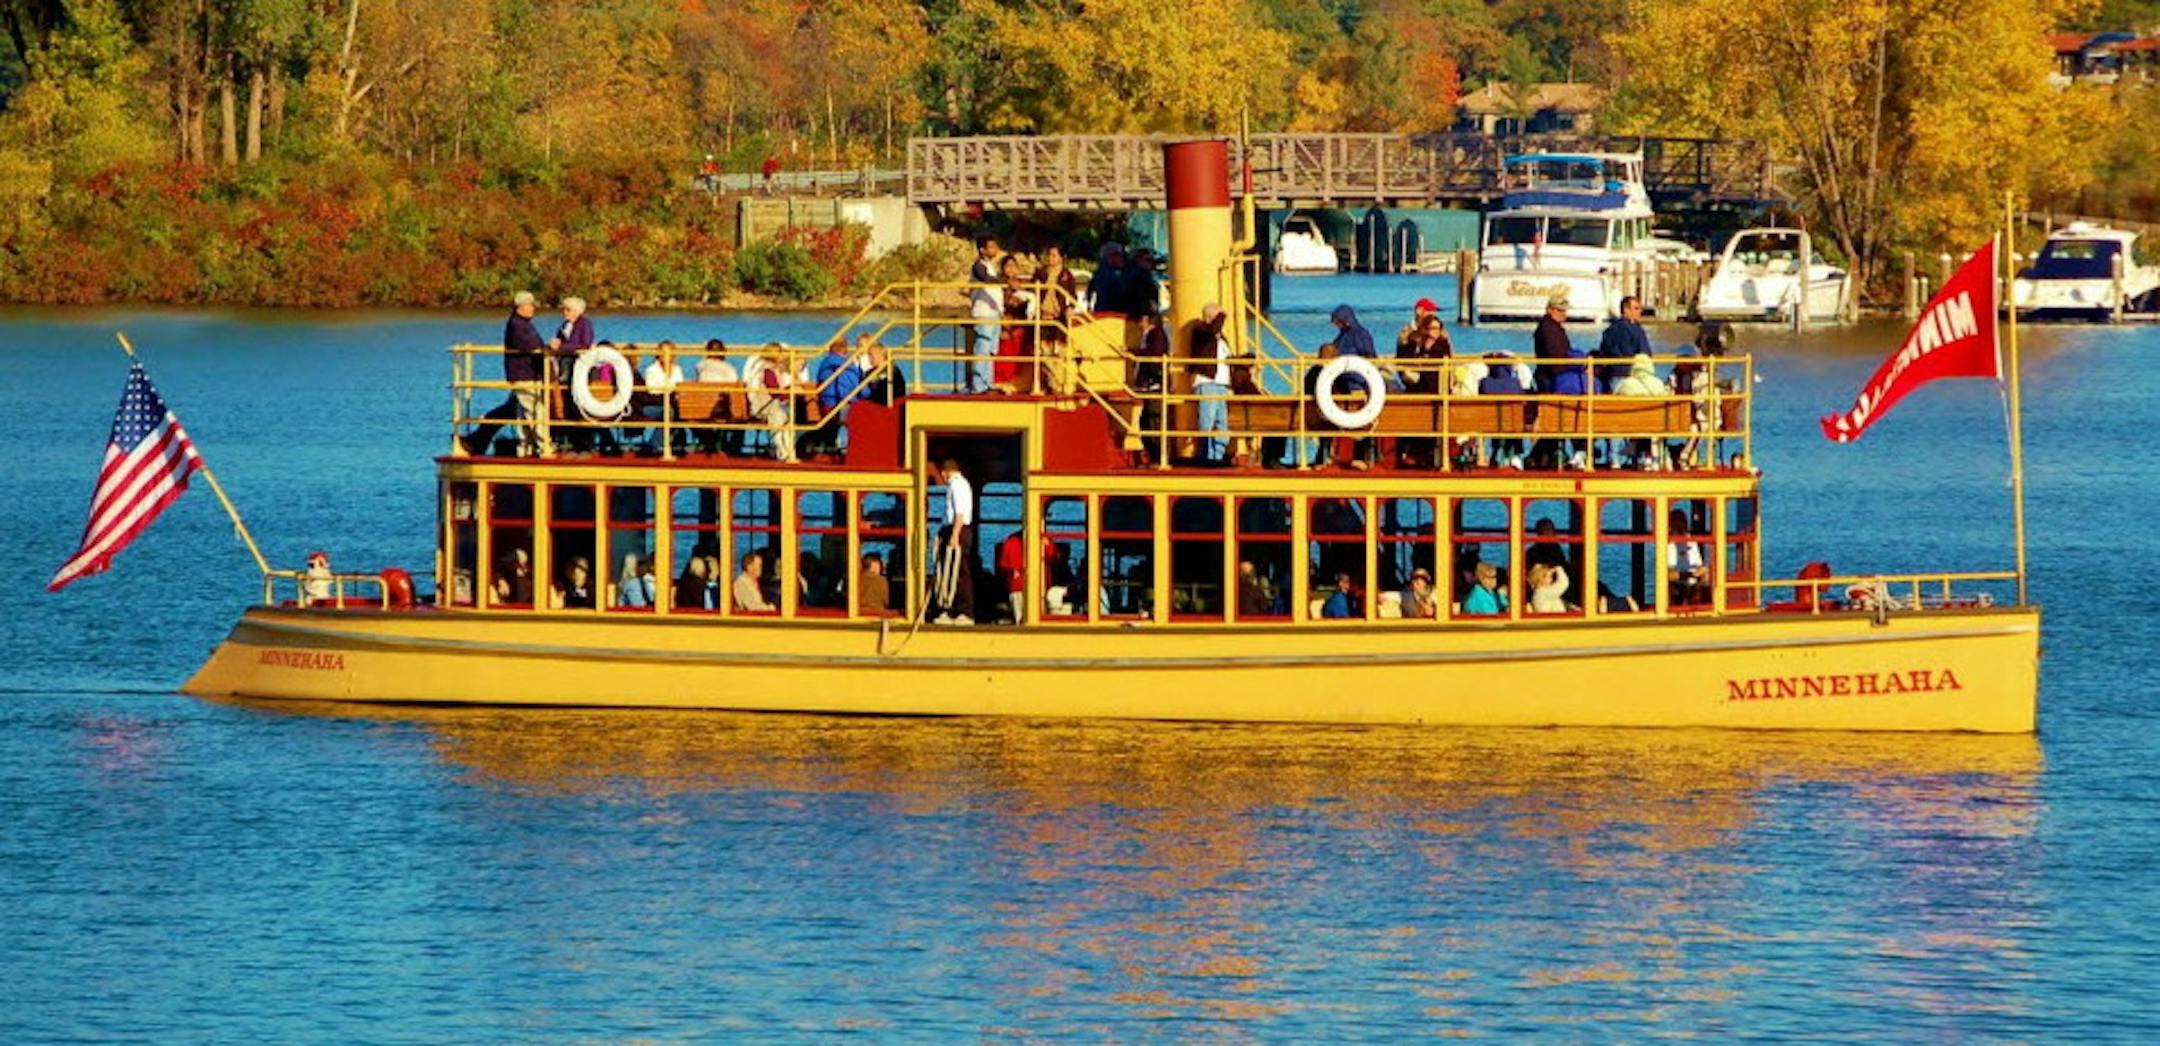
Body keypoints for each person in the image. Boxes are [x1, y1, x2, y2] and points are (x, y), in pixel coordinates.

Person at [463, 290, 548, 457]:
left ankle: (524, 446)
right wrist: (546, 349)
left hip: (527, 373)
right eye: (530, 305)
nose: (533, 309)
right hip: (523, 374)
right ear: (520, 307)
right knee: (533, 411)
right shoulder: (517, 325)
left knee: (516, 410)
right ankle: (542, 447)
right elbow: (527, 344)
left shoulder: (524, 324)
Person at [1396, 312, 1452, 468]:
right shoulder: (1416, 345)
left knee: (1428, 419)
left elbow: (1440, 368)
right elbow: (1403, 362)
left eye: (1437, 329)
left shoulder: (1442, 347)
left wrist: (1423, 364)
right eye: (1431, 328)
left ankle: (1426, 456)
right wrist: (1403, 343)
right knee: (1406, 409)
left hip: (1436, 393)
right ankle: (1407, 454)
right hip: (1417, 390)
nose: (1434, 332)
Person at [550, 297, 598, 453]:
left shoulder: (585, 324)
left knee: (580, 405)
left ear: (578, 311)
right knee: (568, 404)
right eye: (563, 309)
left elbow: (585, 344)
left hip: (581, 369)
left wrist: (562, 346)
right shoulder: (564, 326)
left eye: (568, 309)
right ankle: (573, 442)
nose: (564, 312)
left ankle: (586, 444)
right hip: (566, 368)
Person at [933, 458, 976, 624]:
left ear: (944, 473)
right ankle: (947, 609)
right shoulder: (957, 485)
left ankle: (964, 611)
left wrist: (954, 535)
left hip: (958, 529)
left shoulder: (957, 484)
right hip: (952, 529)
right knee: (948, 571)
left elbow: (960, 513)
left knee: (958, 572)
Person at [1192, 303, 1233, 464]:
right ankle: (1205, 456)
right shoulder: (1201, 331)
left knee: (1222, 422)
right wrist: (1221, 315)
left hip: (1222, 383)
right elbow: (1211, 331)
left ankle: (1218, 455)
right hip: (1207, 382)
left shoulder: (1220, 337)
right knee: (1207, 420)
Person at [1034, 244, 1079, 384]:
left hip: (1059, 317)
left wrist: (1070, 307)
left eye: (1054, 255)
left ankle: (1057, 382)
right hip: (1043, 315)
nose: (1051, 258)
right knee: (1043, 351)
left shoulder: (1066, 275)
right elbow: (1031, 289)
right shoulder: (1040, 273)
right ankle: (1049, 381)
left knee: (1058, 351)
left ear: (1061, 258)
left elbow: (1073, 295)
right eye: (1049, 255)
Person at [745, 343, 797, 463]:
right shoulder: (767, 370)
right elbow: (773, 389)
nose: (782, 355)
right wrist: (788, 394)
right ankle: (783, 453)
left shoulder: (769, 369)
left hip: (770, 404)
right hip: (764, 405)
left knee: (785, 420)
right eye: (780, 353)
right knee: (780, 421)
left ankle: (788, 452)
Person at [993, 256, 1038, 392]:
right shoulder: (999, 284)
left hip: (1019, 324)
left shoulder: (1023, 283)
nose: (1011, 269)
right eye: (1007, 266)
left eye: (1013, 266)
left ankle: (1017, 382)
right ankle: (1001, 381)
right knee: (1004, 352)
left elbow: (1030, 298)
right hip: (1005, 323)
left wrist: (1020, 291)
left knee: (1019, 352)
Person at [967, 235, 1004, 393]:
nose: (994, 250)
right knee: (982, 346)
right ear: (982, 250)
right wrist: (1004, 281)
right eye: (991, 247)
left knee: (991, 349)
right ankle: (978, 384)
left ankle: (988, 381)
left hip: (994, 313)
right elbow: (985, 278)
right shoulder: (978, 266)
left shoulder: (991, 266)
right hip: (983, 312)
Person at [1668, 508, 1709, 606]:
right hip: (1677, 587)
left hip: (1693, 585)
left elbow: (1699, 565)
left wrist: (1703, 570)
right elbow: (1669, 575)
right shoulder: (1668, 543)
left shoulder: (1690, 539)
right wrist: (1690, 575)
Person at [1088, 242, 1129, 315]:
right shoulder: (1104, 273)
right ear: (1108, 256)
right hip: (1109, 314)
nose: (1120, 258)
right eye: (1116, 255)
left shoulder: (1120, 271)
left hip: (1108, 312)